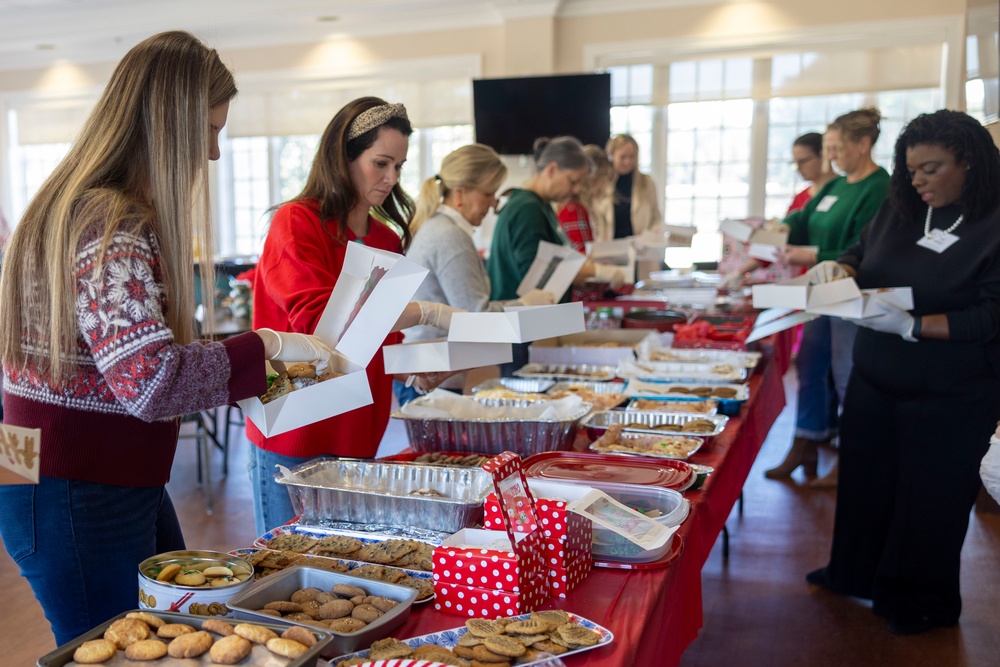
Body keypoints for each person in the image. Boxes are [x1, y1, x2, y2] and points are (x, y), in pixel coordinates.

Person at [0, 31, 335, 645]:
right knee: (118, 649)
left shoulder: (72, 203)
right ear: (165, 125)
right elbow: (152, 382)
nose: (211, 153)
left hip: (51, 472)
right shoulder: (112, 221)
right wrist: (265, 346)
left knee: (153, 639)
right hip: (77, 486)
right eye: (207, 130)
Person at [807, 110, 1000, 635]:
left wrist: (914, 326)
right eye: (911, 169)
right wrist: (839, 270)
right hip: (876, 377)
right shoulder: (902, 208)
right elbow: (859, 252)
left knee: (930, 500)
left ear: (970, 162)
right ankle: (854, 572)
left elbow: (990, 315)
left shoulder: (993, 222)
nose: (917, 181)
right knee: (866, 484)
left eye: (931, 169)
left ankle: (923, 601)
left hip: (951, 391)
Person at [249, 97, 460, 535]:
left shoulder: (384, 236)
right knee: (289, 572)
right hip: (295, 429)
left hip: (359, 430)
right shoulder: (296, 222)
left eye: (399, 167)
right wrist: (426, 312)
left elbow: (375, 343)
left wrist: (411, 373)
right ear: (342, 158)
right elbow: (318, 323)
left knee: (345, 569)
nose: (391, 178)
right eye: (380, 163)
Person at [735, 108, 890, 487]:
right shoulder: (837, 185)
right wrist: (786, 228)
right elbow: (804, 219)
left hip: (848, 295)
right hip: (818, 295)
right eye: (829, 148)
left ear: (864, 145)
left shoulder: (877, 188)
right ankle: (805, 440)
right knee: (810, 365)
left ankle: (848, 457)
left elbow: (863, 249)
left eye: (838, 148)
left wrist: (811, 256)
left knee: (845, 375)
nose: (832, 156)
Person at [399, 144, 555, 405]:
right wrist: (525, 306)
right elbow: (474, 317)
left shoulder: (443, 228)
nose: (494, 204)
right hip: (430, 374)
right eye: (488, 193)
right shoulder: (449, 236)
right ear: (461, 192)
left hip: (430, 367)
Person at [486, 136, 629, 375]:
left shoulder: (540, 205)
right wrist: (597, 272)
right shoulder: (527, 208)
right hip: (521, 326)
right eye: (572, 181)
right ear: (552, 169)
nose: (575, 190)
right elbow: (535, 270)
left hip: (531, 323)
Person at [589, 134, 662, 241]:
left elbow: (656, 217)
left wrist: (652, 236)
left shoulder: (647, 182)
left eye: (632, 156)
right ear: (611, 156)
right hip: (608, 249)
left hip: (640, 250)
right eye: (622, 157)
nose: (628, 162)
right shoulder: (601, 183)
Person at [555, 144, 611, 252]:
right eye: (603, 177)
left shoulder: (581, 207)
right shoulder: (574, 211)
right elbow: (583, 258)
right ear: (590, 179)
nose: (605, 185)